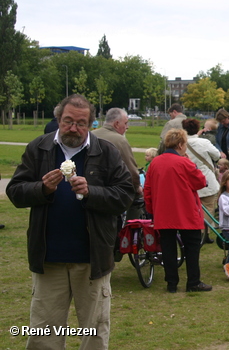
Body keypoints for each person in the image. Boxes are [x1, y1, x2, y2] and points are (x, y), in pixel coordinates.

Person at [7, 94, 134, 350]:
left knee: (94, 332)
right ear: (58, 119)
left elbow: (124, 196)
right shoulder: (39, 148)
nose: (73, 128)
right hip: (49, 257)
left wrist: (92, 191)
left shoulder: (106, 152)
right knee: (44, 333)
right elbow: (15, 192)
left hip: (92, 257)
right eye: (67, 122)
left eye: (81, 123)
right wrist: (41, 188)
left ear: (91, 124)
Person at [144, 129, 211, 293]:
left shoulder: (155, 163)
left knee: (167, 248)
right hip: (186, 211)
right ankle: (193, 281)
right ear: (180, 145)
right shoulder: (184, 163)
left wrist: (151, 211)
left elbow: (148, 190)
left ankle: (171, 283)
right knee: (192, 247)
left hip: (163, 213)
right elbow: (201, 182)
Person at [183, 118, 221, 244]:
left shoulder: (181, 143)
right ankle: (205, 233)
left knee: (192, 209)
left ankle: (194, 232)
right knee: (208, 207)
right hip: (206, 179)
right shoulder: (204, 142)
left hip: (189, 181)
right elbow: (217, 155)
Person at [92, 108, 143, 201]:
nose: (127, 127)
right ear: (116, 124)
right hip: (111, 192)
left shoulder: (91, 135)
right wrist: (137, 188)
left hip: (89, 188)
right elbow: (131, 171)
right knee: (138, 200)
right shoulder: (120, 140)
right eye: (125, 123)